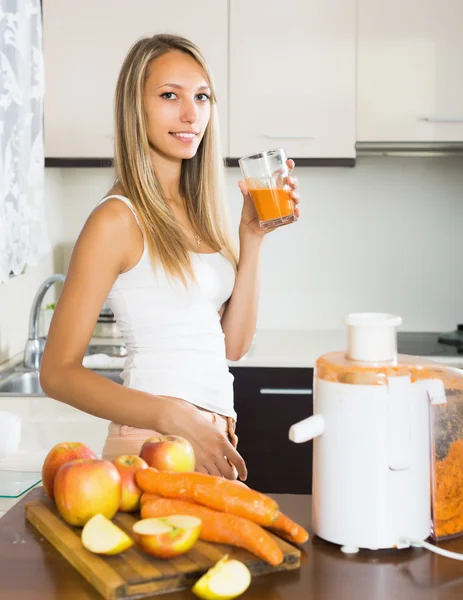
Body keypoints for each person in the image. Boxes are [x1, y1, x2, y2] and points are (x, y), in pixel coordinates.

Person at [40, 34, 300, 481]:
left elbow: (232, 345)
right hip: (151, 442)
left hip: (210, 439)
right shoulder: (117, 219)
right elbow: (57, 373)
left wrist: (252, 238)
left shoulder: (202, 216)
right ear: (134, 108)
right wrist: (175, 418)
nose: (190, 113)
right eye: (168, 96)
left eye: (201, 97)